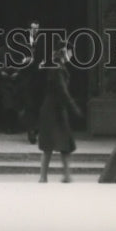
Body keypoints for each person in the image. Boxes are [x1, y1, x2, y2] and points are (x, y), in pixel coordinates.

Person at [37, 40, 82, 183]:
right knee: (63, 144)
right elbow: (62, 90)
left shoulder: (54, 66)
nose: (72, 54)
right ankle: (63, 176)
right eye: (70, 51)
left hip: (51, 108)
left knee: (51, 145)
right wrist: (73, 107)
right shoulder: (58, 68)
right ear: (64, 52)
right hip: (55, 109)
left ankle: (47, 177)